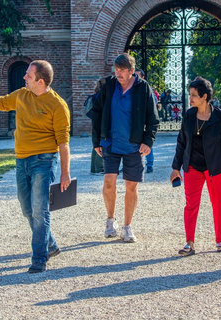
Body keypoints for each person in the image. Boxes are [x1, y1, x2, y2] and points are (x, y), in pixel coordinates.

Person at [0, 60, 71, 273]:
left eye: (28, 76)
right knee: (26, 208)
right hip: (21, 160)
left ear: (40, 81)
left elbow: (63, 143)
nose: (24, 78)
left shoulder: (58, 105)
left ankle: (39, 258)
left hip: (44, 161)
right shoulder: (22, 95)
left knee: (40, 209)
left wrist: (65, 173)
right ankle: (51, 245)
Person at [91, 54, 159, 242]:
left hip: (134, 146)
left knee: (131, 186)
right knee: (109, 183)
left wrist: (148, 141)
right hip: (111, 144)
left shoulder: (143, 88)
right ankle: (110, 221)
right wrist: (96, 141)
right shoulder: (109, 86)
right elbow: (96, 112)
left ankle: (127, 226)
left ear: (132, 71)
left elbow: (153, 118)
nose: (118, 73)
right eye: (116, 70)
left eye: (122, 71)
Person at [170, 77, 221, 256]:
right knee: (190, 205)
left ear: (205, 96)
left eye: (193, 95)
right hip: (192, 166)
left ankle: (219, 241)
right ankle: (189, 243)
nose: (190, 99)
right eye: (190, 95)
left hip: (215, 167)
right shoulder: (188, 115)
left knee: (218, 204)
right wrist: (175, 167)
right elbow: (181, 142)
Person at [135, 69, 156, 173]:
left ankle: (149, 164)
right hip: (136, 123)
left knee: (147, 142)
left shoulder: (147, 88)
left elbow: (154, 104)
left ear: (142, 77)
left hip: (145, 121)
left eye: (138, 75)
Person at [88, 78, 107, 175]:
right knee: (102, 142)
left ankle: (93, 168)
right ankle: (99, 168)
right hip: (101, 120)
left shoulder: (96, 94)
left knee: (96, 145)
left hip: (96, 120)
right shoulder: (102, 94)